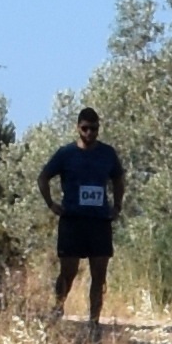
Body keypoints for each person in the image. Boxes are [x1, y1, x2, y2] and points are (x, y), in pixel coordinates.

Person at [38, 113, 126, 326]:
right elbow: (43, 177)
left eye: (94, 129)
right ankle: (57, 310)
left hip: (99, 223)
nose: (90, 133)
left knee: (99, 274)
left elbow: (118, 178)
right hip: (72, 222)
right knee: (68, 272)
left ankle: (94, 322)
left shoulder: (107, 153)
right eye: (85, 128)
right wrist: (51, 203)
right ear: (78, 127)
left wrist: (117, 206)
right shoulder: (66, 153)